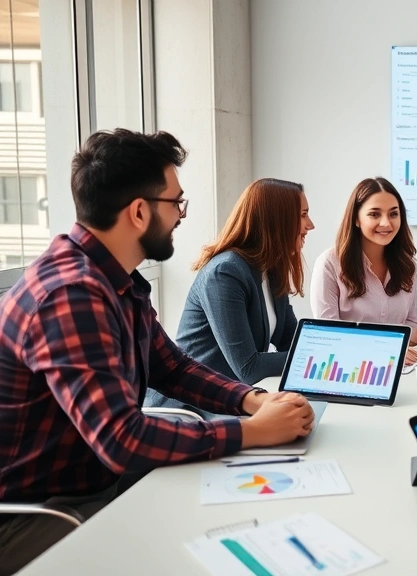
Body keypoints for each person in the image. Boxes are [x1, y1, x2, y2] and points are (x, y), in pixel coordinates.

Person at [0, 129, 314, 575]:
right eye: (176, 203)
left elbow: (174, 368)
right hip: (40, 514)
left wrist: (252, 401)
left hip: (95, 485)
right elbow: (122, 440)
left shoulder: (115, 280)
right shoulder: (71, 294)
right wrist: (253, 432)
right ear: (140, 211)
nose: (182, 215)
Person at [145, 178, 315, 417]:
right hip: (189, 409)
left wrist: (324, 351)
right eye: (303, 215)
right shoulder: (225, 272)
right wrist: (315, 356)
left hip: (232, 401)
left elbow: (291, 339)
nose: (310, 225)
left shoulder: (271, 268)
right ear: (277, 219)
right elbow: (249, 368)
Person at [311, 177, 417, 364]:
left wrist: (389, 348)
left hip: (399, 366)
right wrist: (385, 348)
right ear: (356, 218)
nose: (386, 223)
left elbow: (414, 329)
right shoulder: (329, 264)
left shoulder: (408, 265)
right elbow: (328, 336)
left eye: (393, 214)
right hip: (348, 366)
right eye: (374, 214)